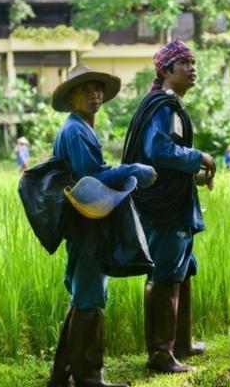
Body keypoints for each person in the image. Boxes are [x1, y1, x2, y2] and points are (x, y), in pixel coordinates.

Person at [47, 64, 157, 387]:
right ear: (71, 97)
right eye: (86, 89)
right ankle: (88, 376)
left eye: (98, 89)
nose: (95, 95)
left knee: (84, 293)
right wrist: (133, 169)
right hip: (87, 224)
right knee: (90, 296)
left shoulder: (79, 127)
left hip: (86, 221)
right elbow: (91, 177)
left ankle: (62, 374)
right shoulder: (76, 131)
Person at [122, 40, 215, 373]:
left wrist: (194, 176)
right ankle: (160, 355)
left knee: (182, 268)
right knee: (165, 274)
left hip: (175, 204)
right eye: (183, 63)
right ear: (164, 70)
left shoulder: (168, 105)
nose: (192, 68)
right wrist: (198, 157)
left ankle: (182, 343)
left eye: (194, 62)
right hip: (164, 210)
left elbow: (165, 161)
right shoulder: (164, 107)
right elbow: (159, 151)